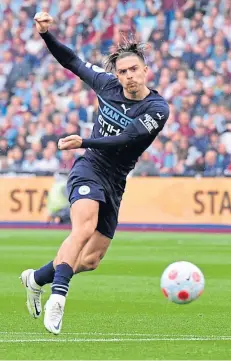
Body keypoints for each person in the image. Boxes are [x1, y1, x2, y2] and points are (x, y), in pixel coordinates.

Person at [20, 12, 170, 335]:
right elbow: (71, 60)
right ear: (116, 74)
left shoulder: (157, 109)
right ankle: (57, 299)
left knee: (90, 260)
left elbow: (126, 139)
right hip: (89, 168)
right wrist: (47, 35)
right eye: (123, 71)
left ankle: (36, 279)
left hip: (115, 181)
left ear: (146, 71)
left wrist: (83, 140)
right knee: (83, 228)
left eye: (134, 70)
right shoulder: (105, 83)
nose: (129, 76)